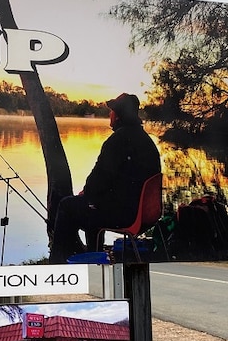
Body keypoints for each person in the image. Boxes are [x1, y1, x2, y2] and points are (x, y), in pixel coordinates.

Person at [49, 93, 161, 263]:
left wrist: (86, 194)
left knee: (67, 206)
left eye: (112, 112)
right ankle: (94, 256)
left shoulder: (117, 141)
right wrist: (90, 196)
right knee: (92, 204)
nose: (110, 115)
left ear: (117, 116)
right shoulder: (146, 141)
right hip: (145, 213)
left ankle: (57, 264)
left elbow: (97, 181)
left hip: (125, 215)